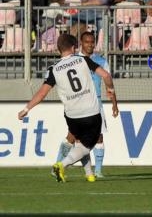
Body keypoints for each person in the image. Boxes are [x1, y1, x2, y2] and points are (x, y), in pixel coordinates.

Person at [18, 34, 119, 183]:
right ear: (73, 48)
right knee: (87, 145)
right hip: (91, 111)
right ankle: (61, 165)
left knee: (79, 141)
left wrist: (26, 109)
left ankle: (89, 174)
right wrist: (110, 90)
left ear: (59, 49)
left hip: (72, 116)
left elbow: (42, 93)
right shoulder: (83, 60)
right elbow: (106, 76)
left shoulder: (54, 69)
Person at [55, 32, 111, 178]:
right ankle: (59, 164)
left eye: (92, 42)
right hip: (79, 104)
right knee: (73, 138)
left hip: (95, 103)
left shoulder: (100, 60)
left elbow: (106, 78)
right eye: (87, 42)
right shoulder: (77, 60)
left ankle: (95, 172)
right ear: (80, 43)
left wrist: (113, 100)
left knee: (97, 138)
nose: (90, 44)